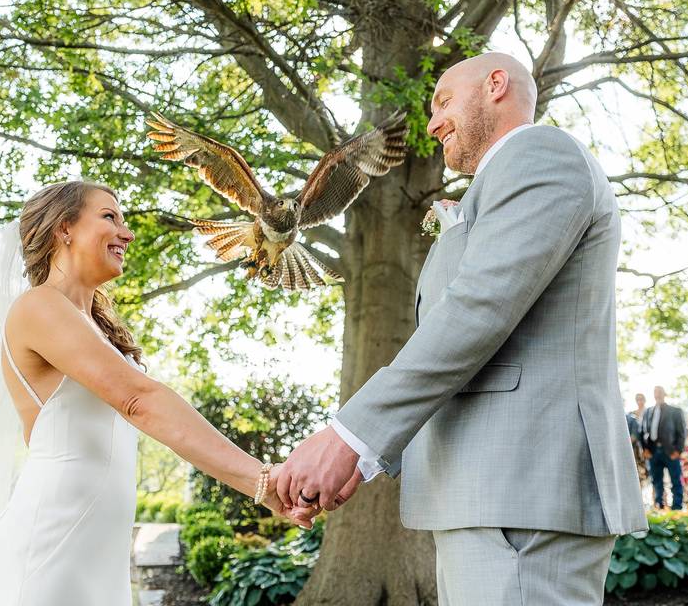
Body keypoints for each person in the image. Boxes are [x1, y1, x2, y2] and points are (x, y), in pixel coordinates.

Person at [276, 52, 647, 605]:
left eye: (443, 100)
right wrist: (374, 454)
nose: (431, 124)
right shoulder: (498, 185)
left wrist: (351, 436)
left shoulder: (542, 156)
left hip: (522, 492)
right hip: (486, 496)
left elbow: (478, 311)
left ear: (496, 84)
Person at [0, 182, 316, 605]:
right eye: (109, 217)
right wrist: (261, 481)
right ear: (64, 229)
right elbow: (140, 400)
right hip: (46, 556)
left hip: (99, 559)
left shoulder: (96, 329)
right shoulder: (37, 307)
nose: (127, 233)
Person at [640, 385, 687, 510]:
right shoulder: (648, 412)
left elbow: (682, 432)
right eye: (655, 392)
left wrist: (678, 450)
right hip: (653, 451)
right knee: (656, 480)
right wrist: (646, 449)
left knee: (675, 480)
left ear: (664, 394)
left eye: (660, 392)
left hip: (671, 451)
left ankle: (677, 506)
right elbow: (643, 431)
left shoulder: (675, 411)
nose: (658, 394)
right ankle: (659, 505)